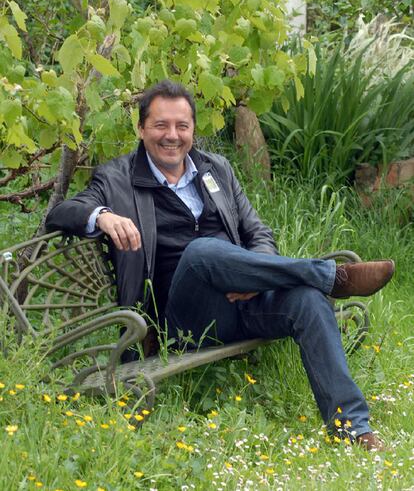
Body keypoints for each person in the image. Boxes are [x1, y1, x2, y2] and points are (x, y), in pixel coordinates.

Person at [46, 79, 395, 451]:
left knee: (309, 301)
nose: (172, 136)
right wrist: (101, 216)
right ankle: (329, 275)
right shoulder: (117, 178)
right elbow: (61, 213)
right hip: (181, 320)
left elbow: (258, 231)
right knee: (202, 251)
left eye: (182, 126)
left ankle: (353, 429)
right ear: (141, 128)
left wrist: (258, 273)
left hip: (243, 303)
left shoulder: (217, 170)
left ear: (193, 129)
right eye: (160, 125)